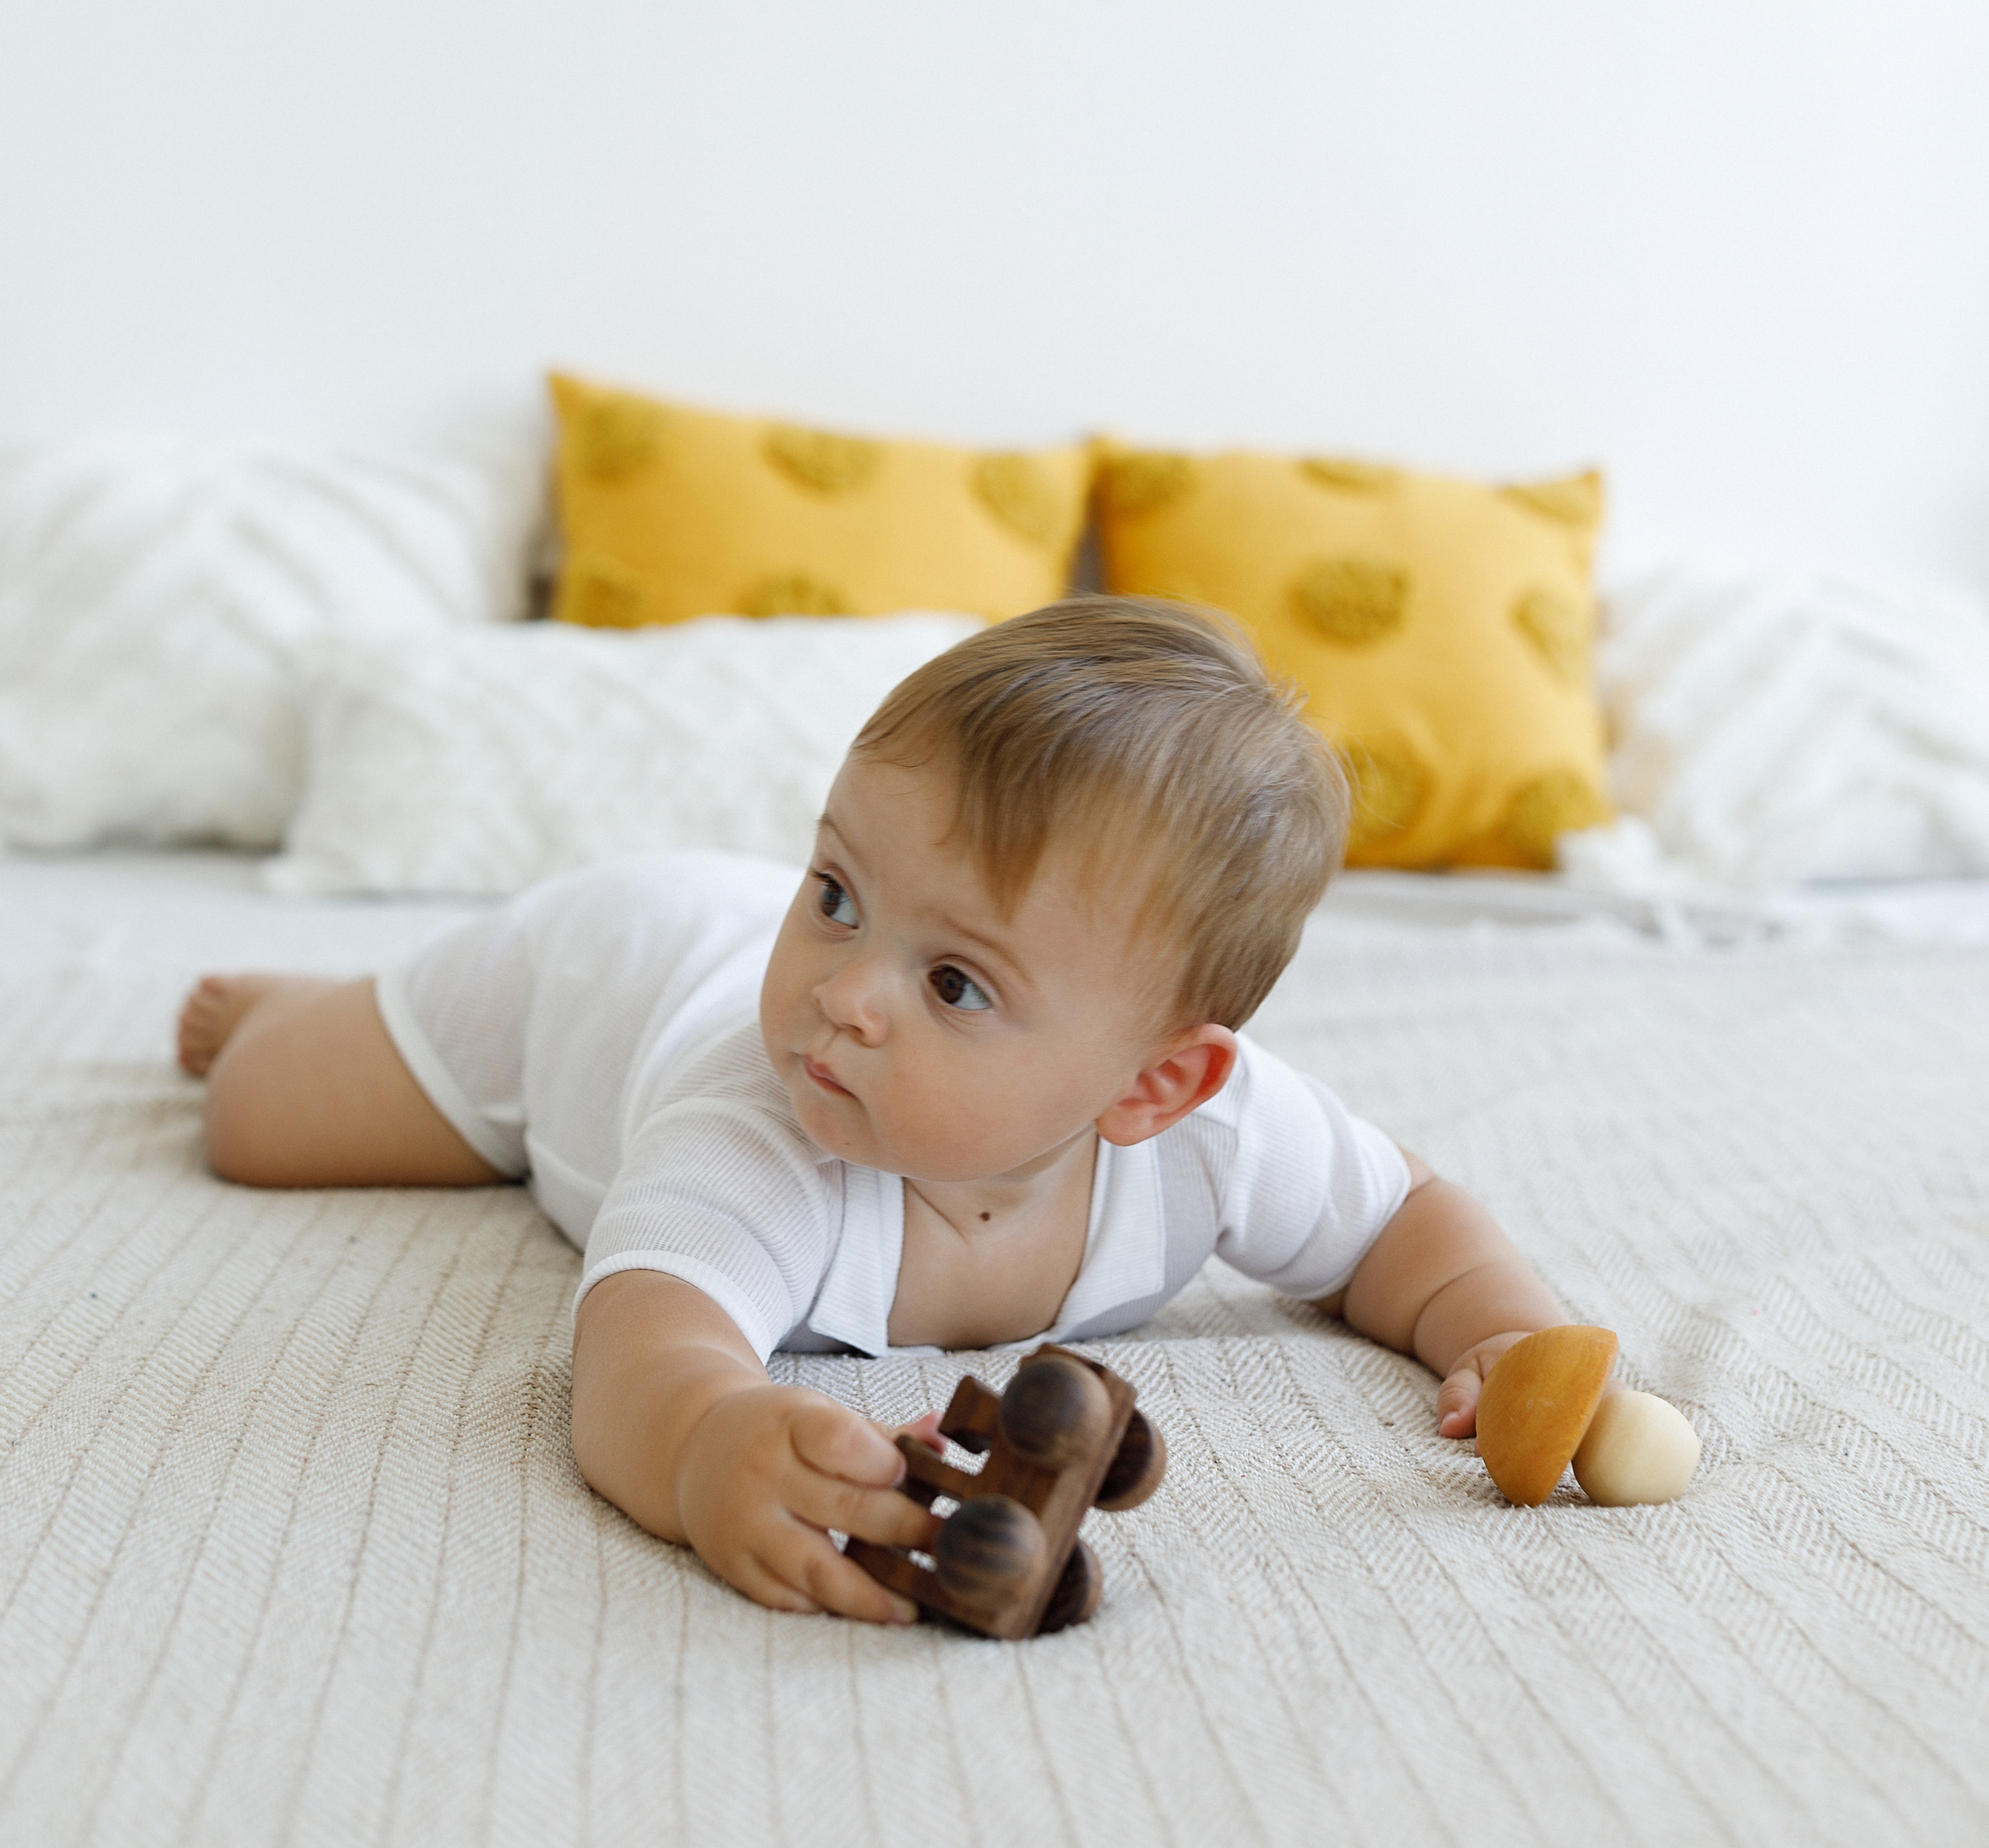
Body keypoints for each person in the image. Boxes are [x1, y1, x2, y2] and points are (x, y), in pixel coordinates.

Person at [178, 599, 1567, 1624]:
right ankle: (329, 1000)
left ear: (1156, 1084)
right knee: (255, 1117)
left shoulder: (1224, 1138)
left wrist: (1503, 1335)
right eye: (836, 892)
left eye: (955, 981)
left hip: (675, 957)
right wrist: (708, 1437)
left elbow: (1403, 1225)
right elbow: (639, 1349)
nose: (845, 997)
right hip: (599, 978)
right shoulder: (766, 1119)